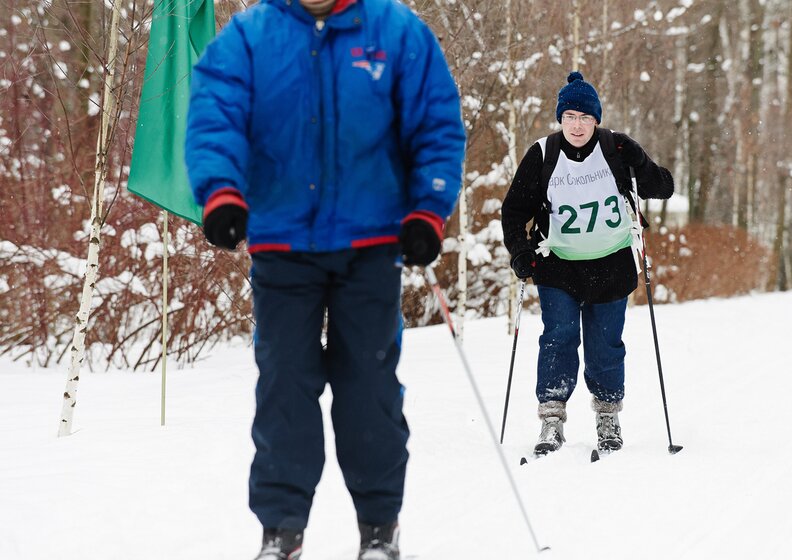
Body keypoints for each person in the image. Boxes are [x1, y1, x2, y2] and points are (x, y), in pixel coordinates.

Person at [184, 0, 465, 558]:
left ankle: (380, 528)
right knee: (284, 385)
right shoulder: (250, 36)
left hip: (370, 244)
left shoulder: (395, 31)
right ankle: (281, 530)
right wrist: (221, 191)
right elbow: (215, 114)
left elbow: (435, 122)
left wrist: (427, 211)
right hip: (283, 245)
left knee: (369, 387)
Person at [501, 71, 673, 457]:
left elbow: (662, 187)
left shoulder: (616, 148)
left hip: (611, 265)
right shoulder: (543, 154)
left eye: (585, 118)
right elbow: (514, 210)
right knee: (558, 338)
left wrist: (640, 162)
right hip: (557, 266)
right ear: (560, 119)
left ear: (596, 119)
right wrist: (519, 250)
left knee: (605, 346)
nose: (577, 126)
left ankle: (608, 417)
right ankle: (551, 420)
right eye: (569, 117)